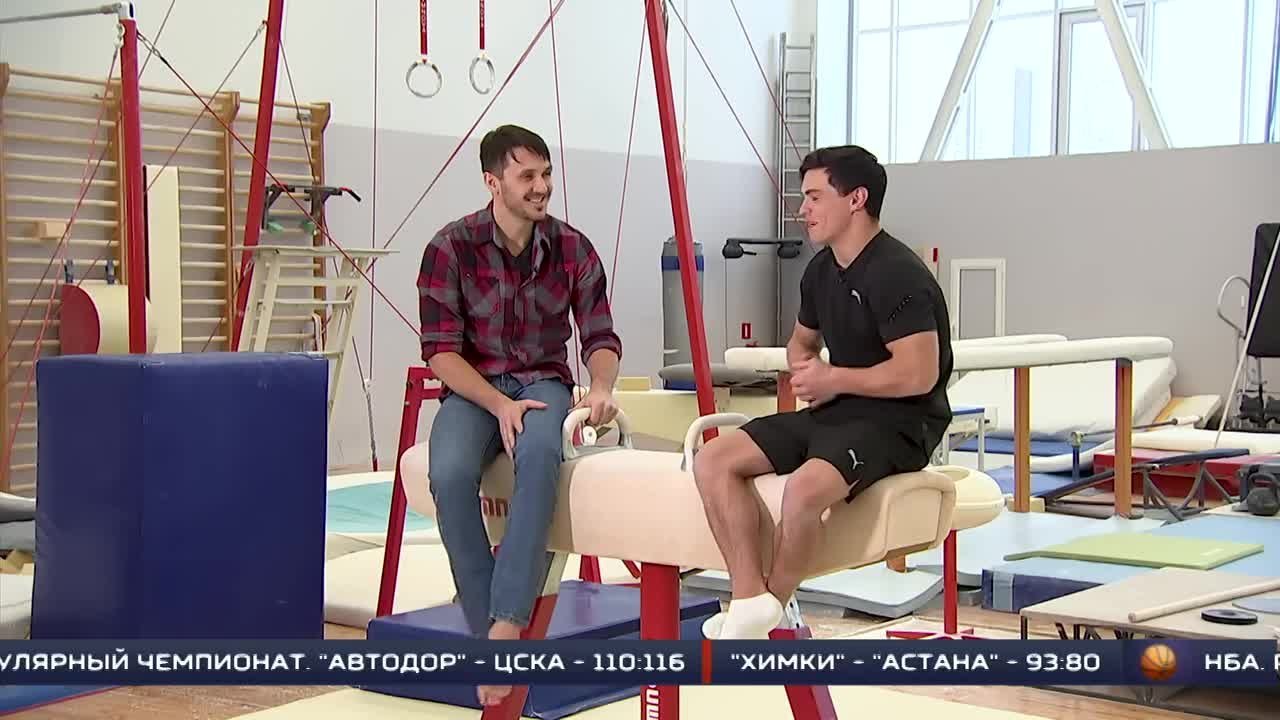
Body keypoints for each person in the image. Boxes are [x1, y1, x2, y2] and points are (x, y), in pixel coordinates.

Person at [692, 145, 953, 640]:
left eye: (814, 197)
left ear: (856, 199)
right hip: (838, 412)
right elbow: (801, 342)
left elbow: (919, 374)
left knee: (803, 490)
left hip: (900, 423)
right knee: (714, 460)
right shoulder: (821, 271)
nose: (802, 209)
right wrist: (807, 370)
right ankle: (748, 599)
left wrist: (833, 379)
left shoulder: (899, 273)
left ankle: (774, 601)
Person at [417, 124, 623, 705]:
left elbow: (599, 334)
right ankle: (487, 626)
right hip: (474, 388)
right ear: (493, 182)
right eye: (527, 176)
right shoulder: (450, 248)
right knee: (448, 473)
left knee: (538, 456)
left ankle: (506, 624)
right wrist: (497, 403)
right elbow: (441, 353)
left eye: (546, 174)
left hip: (542, 383)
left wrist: (601, 386)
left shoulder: (572, 248)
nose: (541, 187)